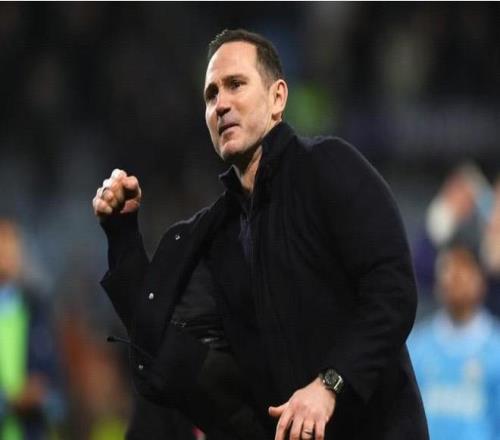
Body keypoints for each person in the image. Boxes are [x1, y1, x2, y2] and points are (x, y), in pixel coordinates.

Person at [93, 29, 428, 439]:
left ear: (277, 98)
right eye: (211, 95)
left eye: (236, 84)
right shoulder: (217, 235)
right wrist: (122, 236)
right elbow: (159, 345)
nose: (221, 104)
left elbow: (393, 292)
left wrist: (330, 384)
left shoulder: (329, 168)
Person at [408, 244, 500, 439]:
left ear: (481, 281)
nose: (454, 277)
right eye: (447, 269)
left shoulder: (496, 349)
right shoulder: (416, 347)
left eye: (463, 269)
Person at [0, 219, 64, 439]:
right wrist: (9, 402)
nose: (6, 256)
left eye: (12, 248)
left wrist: (43, 397)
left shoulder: (37, 310)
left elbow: (59, 398)